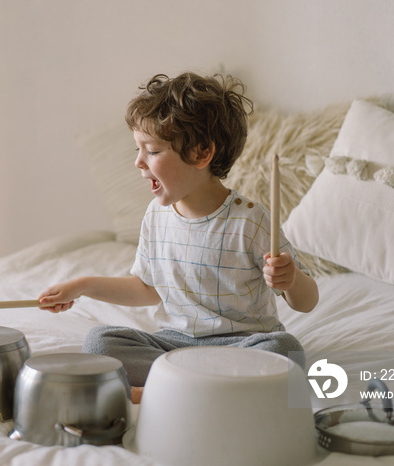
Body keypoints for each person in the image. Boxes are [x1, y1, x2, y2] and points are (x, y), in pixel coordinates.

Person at [38, 72, 318, 403]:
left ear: (201, 154)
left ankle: (165, 390)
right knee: (100, 343)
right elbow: (147, 288)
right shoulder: (155, 217)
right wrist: (83, 285)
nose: (138, 161)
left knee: (285, 351)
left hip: (242, 345)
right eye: (138, 149)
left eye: (152, 150)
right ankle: (204, 387)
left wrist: (289, 279)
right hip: (174, 344)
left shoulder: (251, 220)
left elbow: (307, 301)